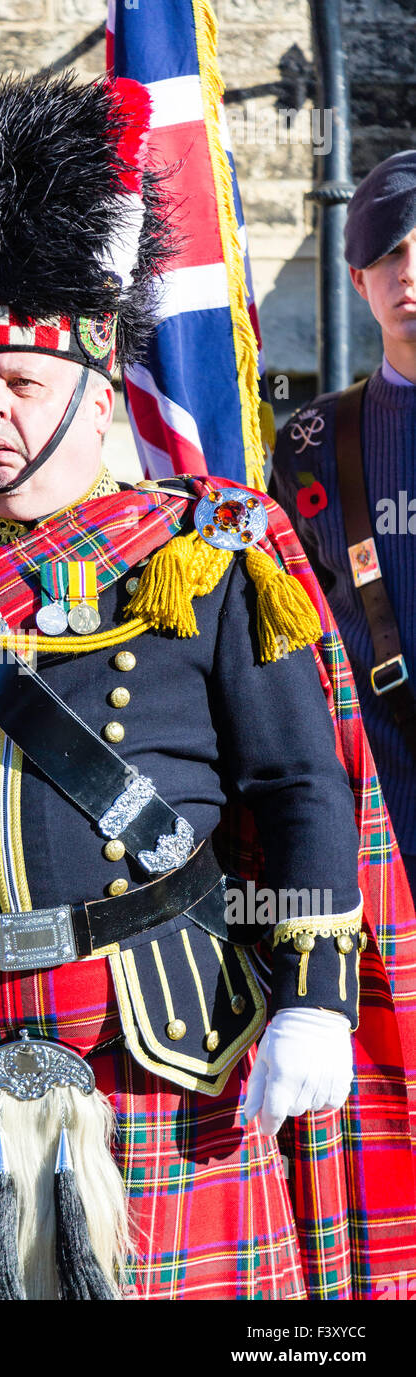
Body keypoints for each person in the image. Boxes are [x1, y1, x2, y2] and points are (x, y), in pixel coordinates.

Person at [0, 74, 416, 1300]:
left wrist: (313, 1000)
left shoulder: (209, 552)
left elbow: (298, 785)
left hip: (155, 1043)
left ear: (96, 401)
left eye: (19, 384)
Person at [272, 151, 416, 897]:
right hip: (375, 821)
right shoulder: (311, 441)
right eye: (389, 255)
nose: (409, 275)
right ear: (357, 280)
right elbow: (285, 641)